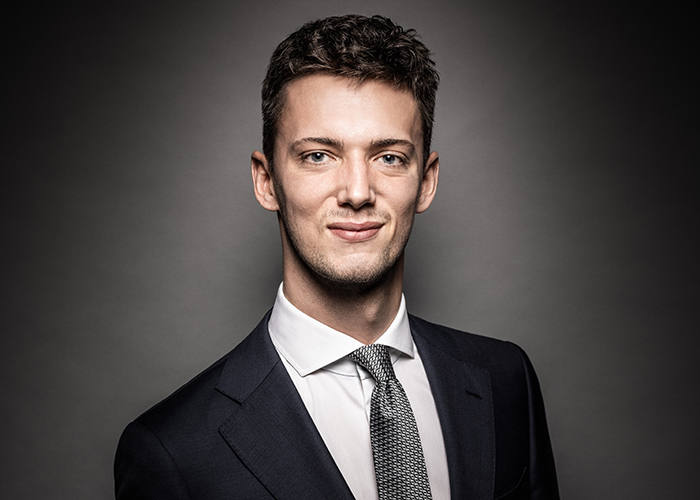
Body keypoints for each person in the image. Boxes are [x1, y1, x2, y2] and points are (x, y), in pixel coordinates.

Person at [114, 14, 559, 500]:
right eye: (318, 156)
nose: (357, 192)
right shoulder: (174, 451)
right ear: (266, 182)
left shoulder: (505, 379)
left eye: (389, 157)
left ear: (426, 181)